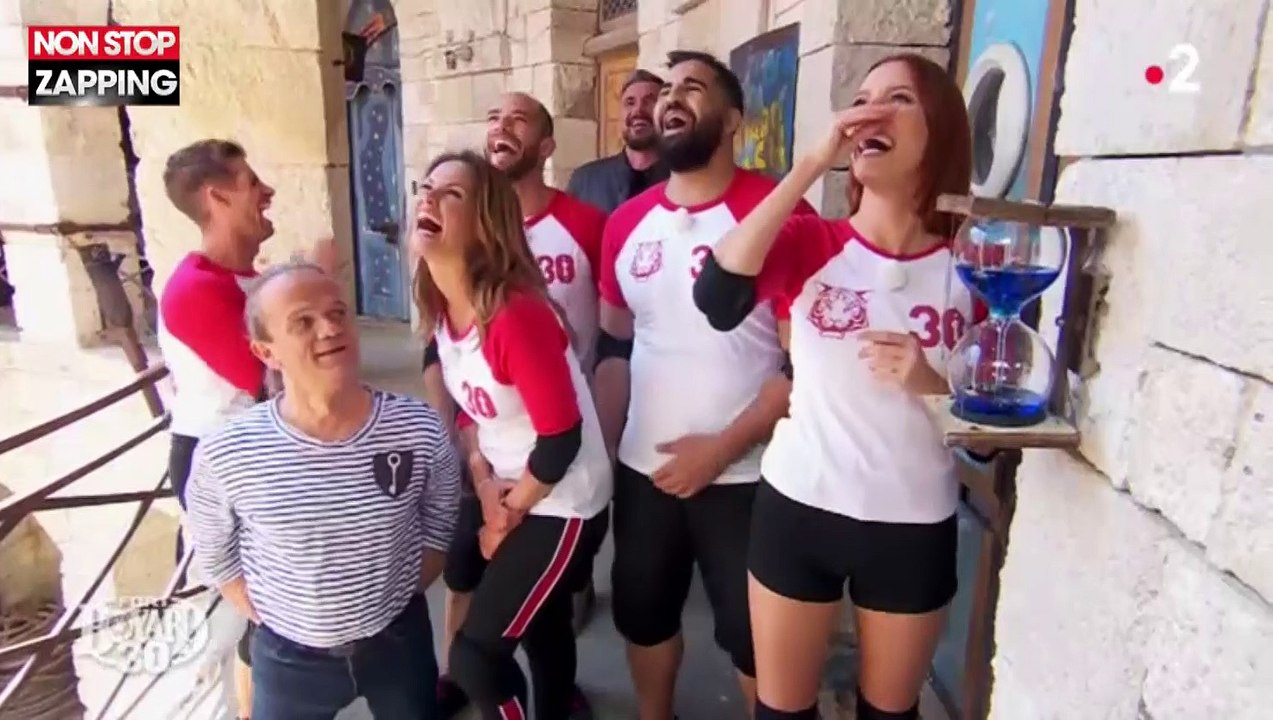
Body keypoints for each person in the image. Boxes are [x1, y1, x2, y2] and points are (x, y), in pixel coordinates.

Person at [692, 53, 981, 720]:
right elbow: (716, 296)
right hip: (800, 506)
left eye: (898, 100)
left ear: (939, 128)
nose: (870, 112)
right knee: (782, 712)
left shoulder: (973, 269)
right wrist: (809, 165)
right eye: (861, 98)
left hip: (912, 522)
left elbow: (990, 442)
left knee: (889, 713)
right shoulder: (812, 242)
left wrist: (928, 382)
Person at [593, 50, 815, 719]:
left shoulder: (776, 210)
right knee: (643, 616)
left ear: (732, 123)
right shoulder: (625, 224)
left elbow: (801, 366)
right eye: (664, 91)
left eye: (692, 88)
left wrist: (719, 449)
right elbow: (617, 337)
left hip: (747, 475)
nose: (668, 100)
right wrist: (601, 453)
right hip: (644, 473)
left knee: (753, 638)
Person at [185, 262, 461, 720]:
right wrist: (280, 619)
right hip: (289, 659)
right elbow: (217, 555)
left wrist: (394, 597)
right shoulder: (229, 453)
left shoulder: (417, 429)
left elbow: (439, 524)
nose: (330, 328)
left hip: (398, 643)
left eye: (338, 313)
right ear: (266, 351)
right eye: (303, 322)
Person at [423, 92, 606, 720]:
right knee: (540, 618)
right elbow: (472, 408)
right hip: (504, 477)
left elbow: (561, 437)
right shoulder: (445, 306)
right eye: (426, 189)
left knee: (477, 659)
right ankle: (559, 704)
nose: (428, 199)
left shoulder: (515, 313)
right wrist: (481, 478)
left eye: (450, 195)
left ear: (484, 220)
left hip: (559, 496)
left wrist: (505, 515)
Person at [157, 138, 274, 720]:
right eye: (253, 182)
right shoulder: (195, 288)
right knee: (243, 615)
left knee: (268, 613)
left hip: (252, 456)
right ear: (217, 197)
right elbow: (269, 380)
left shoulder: (241, 279)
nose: (268, 192)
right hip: (218, 466)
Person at [567, 69, 669, 215]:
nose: (638, 110)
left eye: (649, 101)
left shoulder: (685, 178)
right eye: (630, 102)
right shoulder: (585, 181)